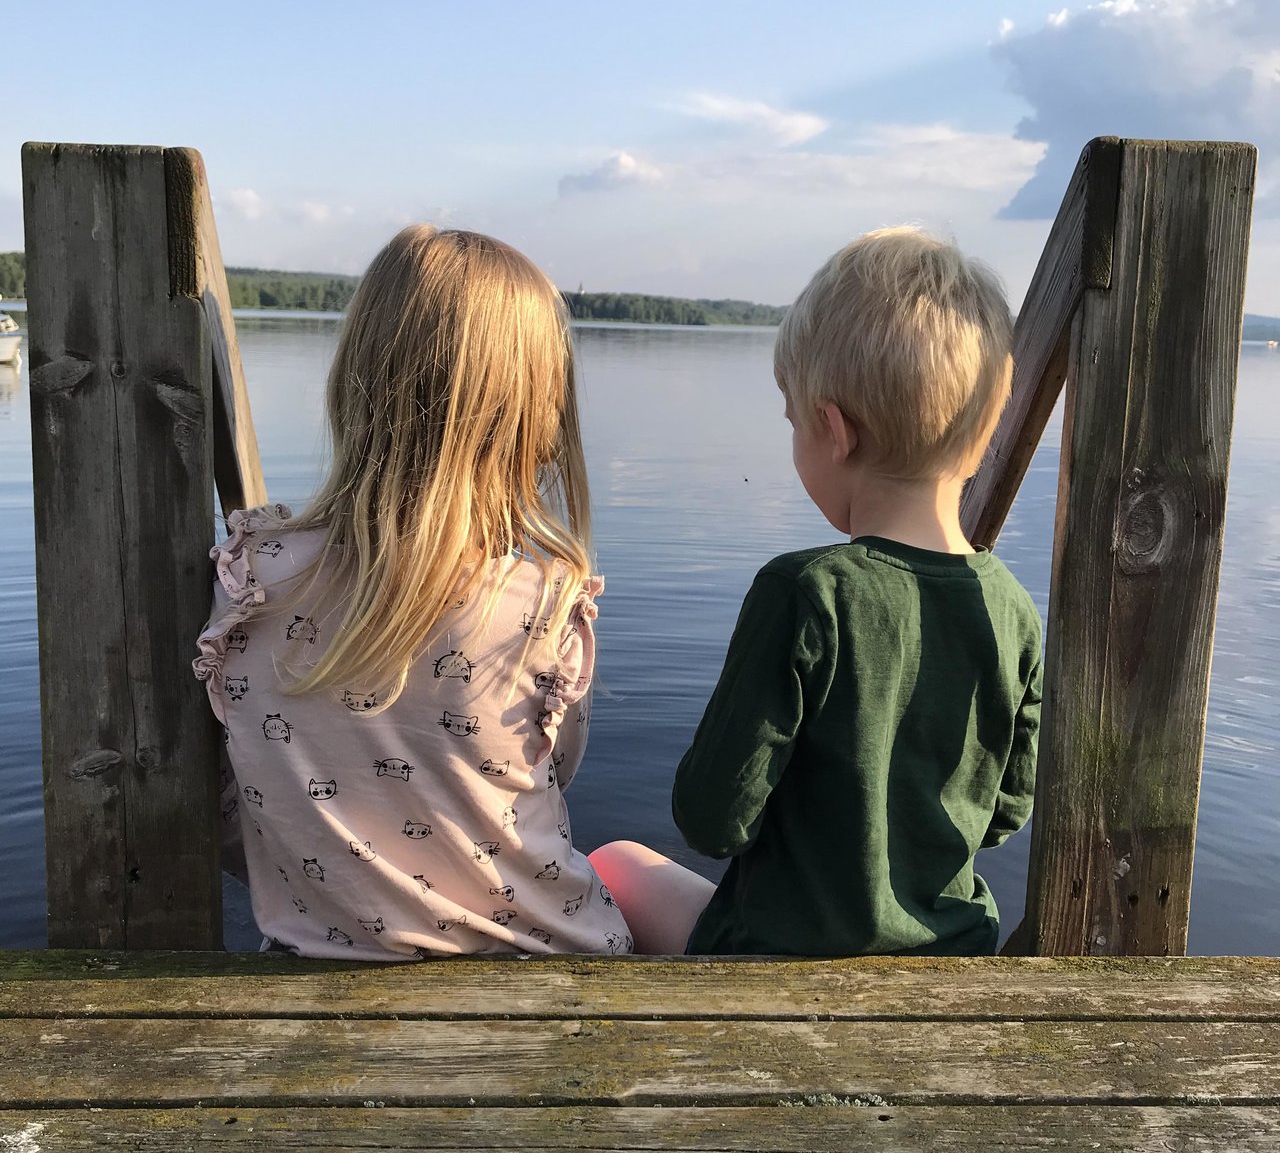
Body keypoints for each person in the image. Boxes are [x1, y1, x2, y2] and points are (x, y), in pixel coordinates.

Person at [591, 227, 1041, 957]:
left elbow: (711, 821)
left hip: (778, 961)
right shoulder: (1014, 609)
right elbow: (1003, 815)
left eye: (794, 423)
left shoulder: (806, 593)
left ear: (834, 431)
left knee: (613, 861)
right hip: (950, 956)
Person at [195, 226, 632, 960]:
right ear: (537, 419)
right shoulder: (544, 606)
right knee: (631, 863)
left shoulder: (251, 582)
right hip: (549, 962)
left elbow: (233, 799)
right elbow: (547, 778)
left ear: (351, 381)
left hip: (325, 960)